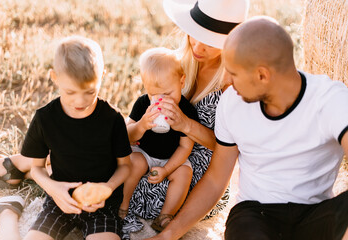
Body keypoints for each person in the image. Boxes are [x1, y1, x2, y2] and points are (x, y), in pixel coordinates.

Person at [149, 16, 348, 240]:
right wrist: (169, 235)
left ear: (262, 75)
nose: (227, 81)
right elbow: (215, 180)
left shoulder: (329, 99)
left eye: (233, 74)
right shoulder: (231, 103)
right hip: (255, 216)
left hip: (315, 215)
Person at [122, 0, 249, 237]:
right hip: (160, 147)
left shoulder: (232, 84)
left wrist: (186, 124)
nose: (198, 46)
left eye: (209, 42)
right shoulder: (180, 63)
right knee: (120, 164)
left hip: (198, 166)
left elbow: (225, 151)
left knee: (147, 191)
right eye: (194, 35)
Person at [20, 36, 132, 240]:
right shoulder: (45, 118)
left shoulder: (112, 118)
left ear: (103, 76)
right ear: (54, 77)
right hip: (59, 200)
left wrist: (107, 188)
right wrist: (53, 189)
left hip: (102, 205)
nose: (80, 101)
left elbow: (125, 166)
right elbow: (36, 168)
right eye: (70, 92)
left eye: (90, 91)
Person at [119, 47, 198, 232]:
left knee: (184, 174)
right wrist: (142, 125)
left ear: (182, 81)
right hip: (144, 152)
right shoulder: (143, 104)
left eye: (168, 94)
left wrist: (166, 169)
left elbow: (185, 147)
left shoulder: (186, 111)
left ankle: (166, 215)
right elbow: (126, 136)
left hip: (172, 157)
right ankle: (123, 206)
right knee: (133, 162)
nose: (161, 100)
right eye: (154, 95)